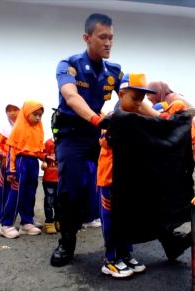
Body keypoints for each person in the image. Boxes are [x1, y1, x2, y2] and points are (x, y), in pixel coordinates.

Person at [50, 13, 158, 267]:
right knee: (71, 190)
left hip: (102, 134)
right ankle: (66, 241)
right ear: (86, 38)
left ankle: (127, 244)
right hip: (73, 134)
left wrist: (161, 119)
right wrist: (96, 119)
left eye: (111, 38)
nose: (108, 43)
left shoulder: (115, 70)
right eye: (102, 37)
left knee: (122, 187)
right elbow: (71, 96)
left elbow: (134, 98)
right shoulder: (68, 64)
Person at [97, 73, 153, 278]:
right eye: (135, 98)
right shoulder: (113, 118)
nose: (139, 103)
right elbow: (106, 142)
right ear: (121, 94)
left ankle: (126, 253)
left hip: (127, 179)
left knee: (127, 217)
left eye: (142, 99)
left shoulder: (135, 119)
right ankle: (110, 259)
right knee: (111, 219)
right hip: (110, 178)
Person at [0, 100, 49, 239]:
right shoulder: (19, 129)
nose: (38, 118)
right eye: (35, 114)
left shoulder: (38, 128)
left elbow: (37, 149)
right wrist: (11, 170)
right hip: (21, 163)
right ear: (26, 113)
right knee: (16, 194)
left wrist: (45, 157)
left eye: (40, 115)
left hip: (32, 164)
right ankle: (6, 224)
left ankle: (26, 222)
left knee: (30, 193)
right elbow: (11, 150)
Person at [0, 104, 20, 223]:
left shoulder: (25, 128)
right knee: (4, 190)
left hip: (20, 163)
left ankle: (24, 218)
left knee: (20, 190)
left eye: (15, 110)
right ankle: (2, 215)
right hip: (6, 164)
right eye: (9, 110)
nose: (12, 113)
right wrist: (4, 157)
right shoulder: (4, 129)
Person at [41, 137, 59, 234]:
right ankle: (49, 222)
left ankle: (58, 220)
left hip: (62, 178)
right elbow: (41, 153)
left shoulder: (67, 142)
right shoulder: (48, 142)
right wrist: (44, 160)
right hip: (50, 179)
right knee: (49, 200)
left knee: (60, 201)